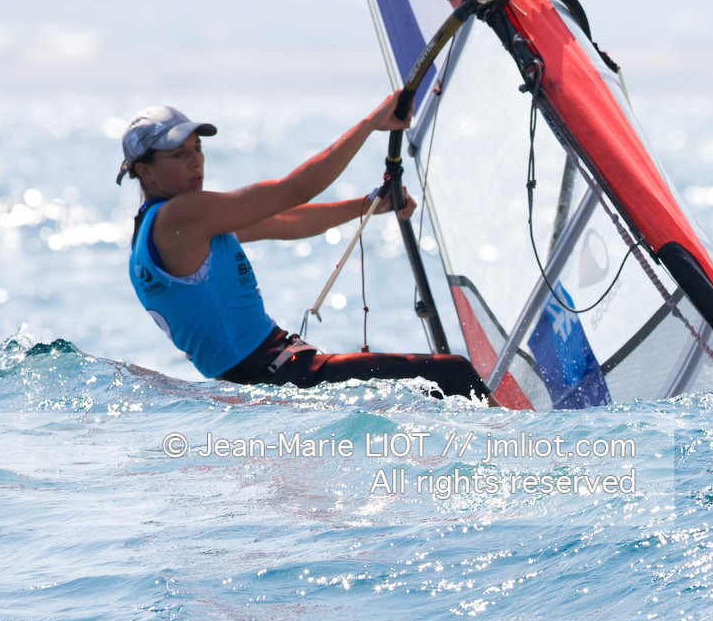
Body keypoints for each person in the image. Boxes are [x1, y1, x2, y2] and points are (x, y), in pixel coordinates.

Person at [118, 95, 490, 399]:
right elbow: (293, 191)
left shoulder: (167, 231)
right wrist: (368, 126)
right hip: (280, 378)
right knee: (452, 375)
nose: (195, 161)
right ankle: (528, 454)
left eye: (197, 149)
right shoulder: (179, 216)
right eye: (177, 154)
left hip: (266, 382)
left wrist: (368, 205)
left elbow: (288, 221)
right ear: (144, 170)